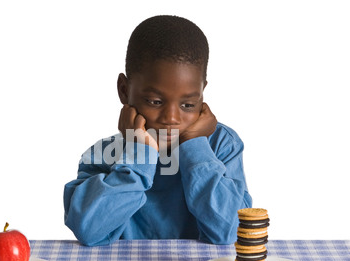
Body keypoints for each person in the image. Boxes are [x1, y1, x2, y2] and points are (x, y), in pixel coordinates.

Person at [63, 15, 252, 246]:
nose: (171, 119)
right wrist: (139, 154)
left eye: (188, 105)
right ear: (124, 90)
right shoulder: (106, 154)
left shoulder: (222, 145)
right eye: (155, 101)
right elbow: (88, 230)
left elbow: (231, 232)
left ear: (202, 93)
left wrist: (193, 145)